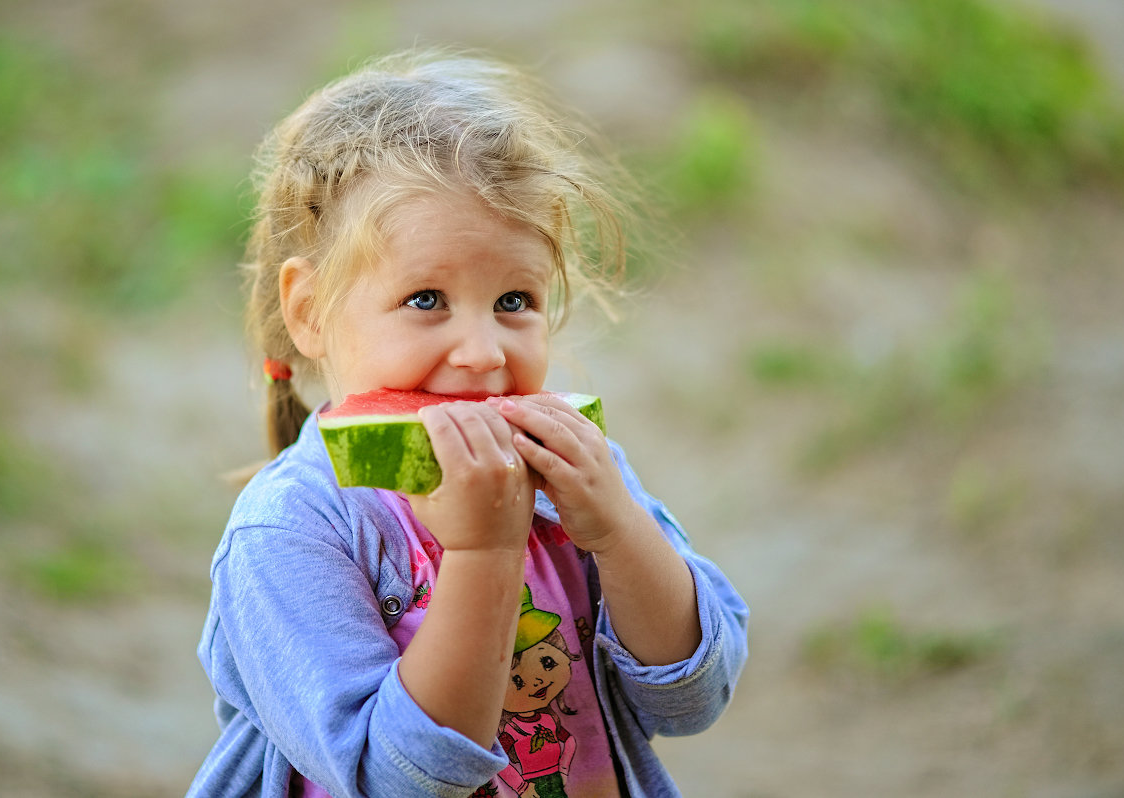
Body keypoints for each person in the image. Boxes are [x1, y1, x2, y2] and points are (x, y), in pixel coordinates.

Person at [187, 48, 749, 798]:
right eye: (426, 300)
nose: (483, 355)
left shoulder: (573, 471)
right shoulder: (291, 528)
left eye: (515, 300)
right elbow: (398, 780)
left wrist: (616, 529)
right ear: (308, 311)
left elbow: (693, 698)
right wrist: (484, 552)